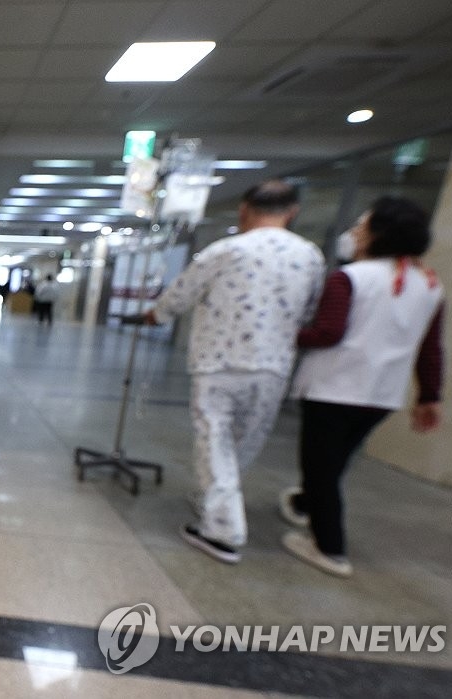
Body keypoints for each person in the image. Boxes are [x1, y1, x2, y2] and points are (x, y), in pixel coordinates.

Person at [145, 180, 325, 564]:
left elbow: (181, 294)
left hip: (219, 362)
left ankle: (222, 530)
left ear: (244, 210)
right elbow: (310, 311)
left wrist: (157, 314)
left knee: (215, 440)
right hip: (273, 365)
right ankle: (215, 501)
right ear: (292, 212)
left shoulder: (225, 250)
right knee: (245, 440)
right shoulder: (310, 256)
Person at [280, 196, 444, 577]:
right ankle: (305, 503)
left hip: (334, 388)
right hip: (382, 395)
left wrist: (285, 332)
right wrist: (429, 396)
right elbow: (431, 346)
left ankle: (330, 548)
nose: (353, 233)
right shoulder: (430, 285)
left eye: (361, 226)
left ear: (378, 235)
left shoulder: (351, 278)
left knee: (320, 467)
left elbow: (327, 333)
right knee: (334, 461)